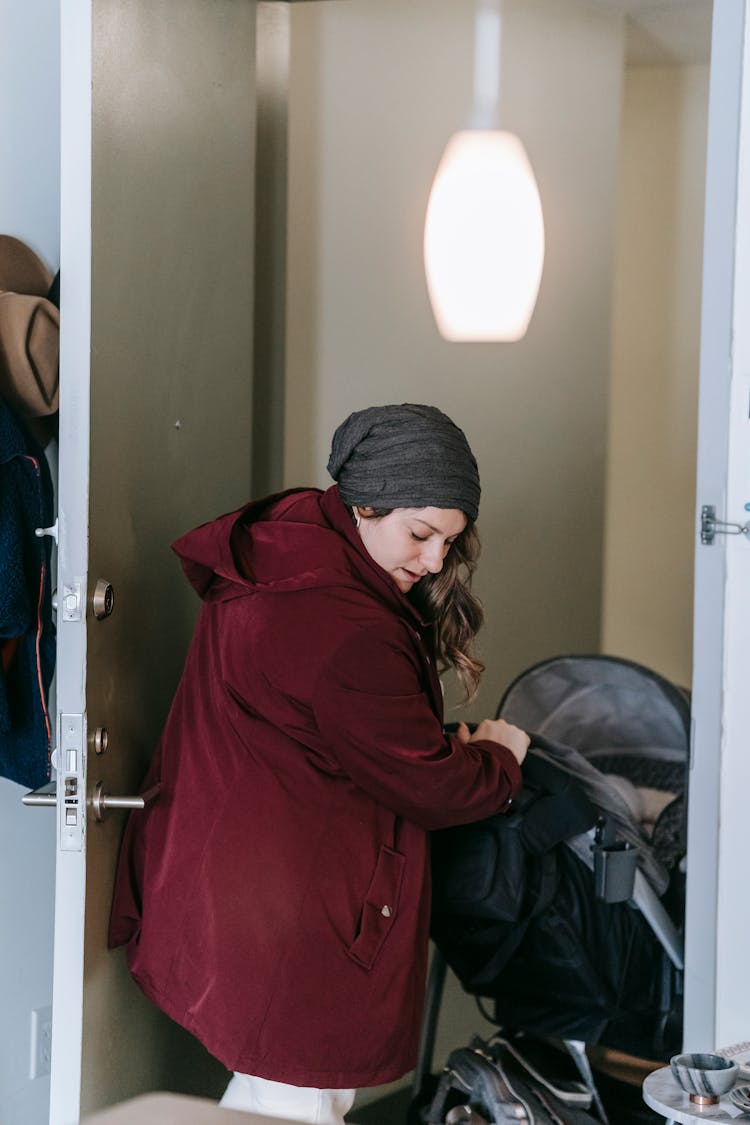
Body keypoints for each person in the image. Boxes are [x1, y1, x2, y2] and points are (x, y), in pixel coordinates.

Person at [108, 403, 530, 1124]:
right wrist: (499, 755)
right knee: (295, 1101)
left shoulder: (291, 538)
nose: (433, 562)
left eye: (449, 544)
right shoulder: (343, 624)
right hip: (292, 918)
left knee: (272, 1101)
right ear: (365, 502)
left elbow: (337, 727)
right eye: (421, 534)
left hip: (234, 879)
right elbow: (430, 782)